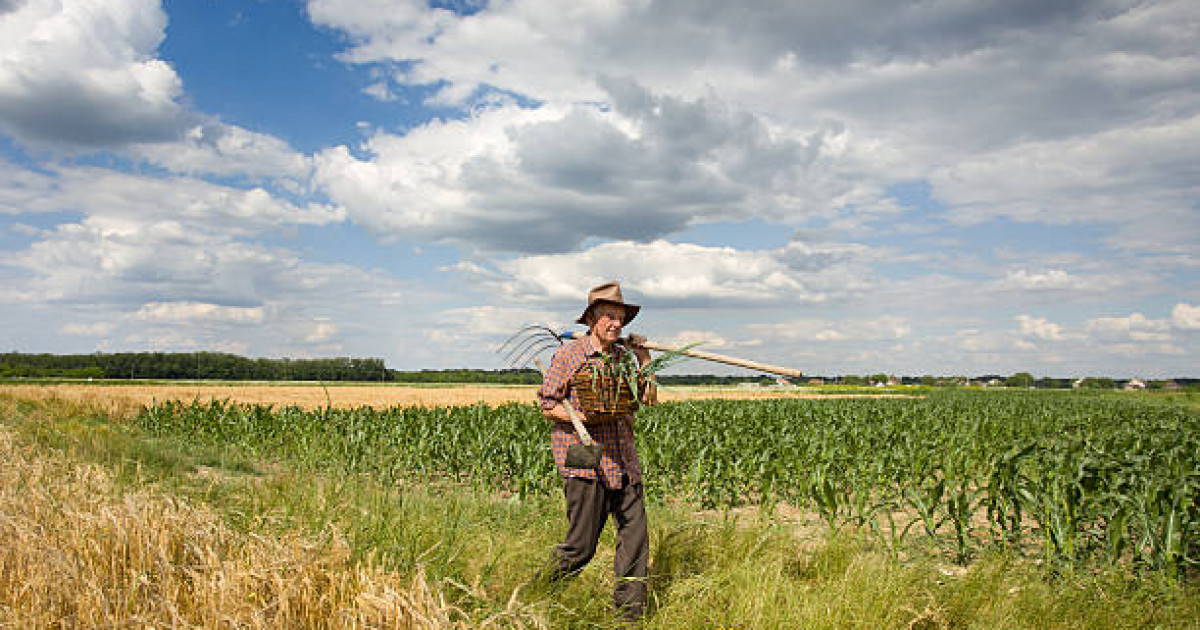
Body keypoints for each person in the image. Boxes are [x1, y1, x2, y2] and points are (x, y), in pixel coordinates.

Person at [535, 281, 656, 622]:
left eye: (620, 318)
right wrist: (582, 416)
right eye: (608, 317)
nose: (616, 324)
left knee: (635, 542)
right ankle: (536, 595)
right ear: (591, 319)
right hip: (586, 461)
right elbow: (547, 405)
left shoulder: (623, 358)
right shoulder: (570, 355)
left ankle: (629, 618)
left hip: (623, 461)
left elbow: (648, 398)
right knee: (581, 547)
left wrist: (644, 358)